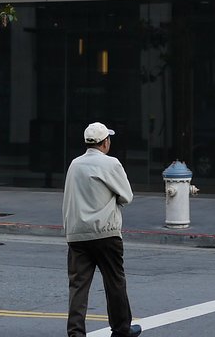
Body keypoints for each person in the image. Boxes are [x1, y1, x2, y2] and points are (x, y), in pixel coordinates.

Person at [63, 122, 141, 337]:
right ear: (105, 142)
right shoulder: (111, 164)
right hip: (106, 232)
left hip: (77, 232)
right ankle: (121, 328)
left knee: (78, 286)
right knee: (114, 281)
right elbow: (127, 195)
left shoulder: (75, 165)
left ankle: (76, 333)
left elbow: (69, 198)